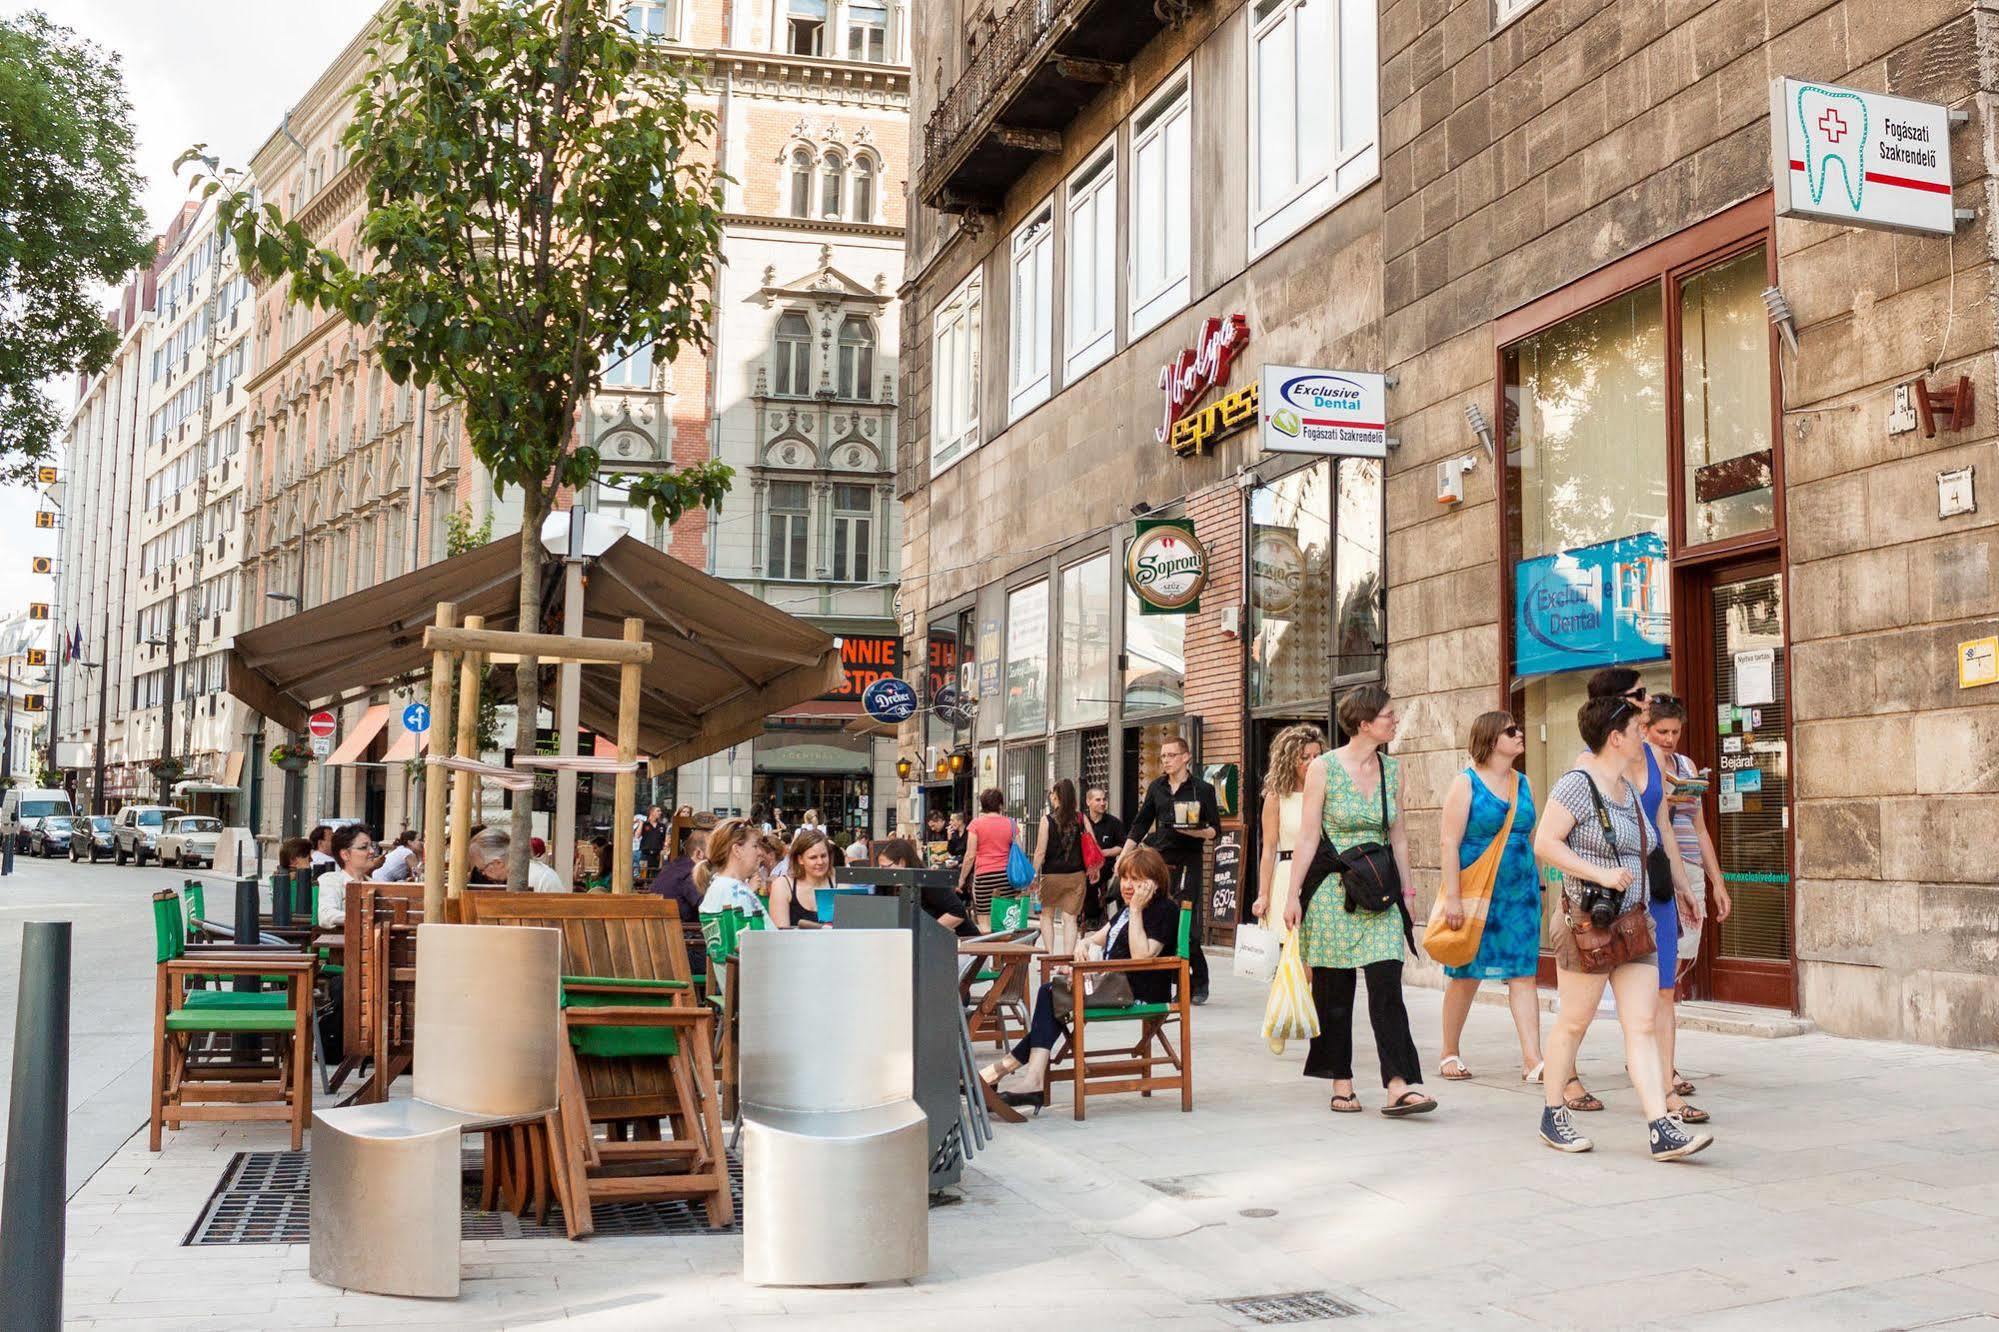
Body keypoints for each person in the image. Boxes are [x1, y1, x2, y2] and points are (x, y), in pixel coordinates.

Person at [1532, 694, 1713, 1162]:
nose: (1645, 735)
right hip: (1587, 923)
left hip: (1634, 925)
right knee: (1574, 1022)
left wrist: (1682, 886)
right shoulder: (1576, 785)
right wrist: (1599, 874)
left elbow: (1655, 844)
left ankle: (1659, 1126)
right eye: (1638, 729)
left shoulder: (1629, 790)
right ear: (1616, 737)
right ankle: (1553, 1113)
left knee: (1642, 1025)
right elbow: (1545, 843)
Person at [1283, 686, 1432, 1117]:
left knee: (1387, 987)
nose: (1395, 720)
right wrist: (1292, 895)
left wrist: (1408, 891)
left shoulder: (1393, 769)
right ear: (1364, 723)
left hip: (1380, 891)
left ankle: (1400, 1084)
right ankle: (1341, 1081)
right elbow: (1308, 836)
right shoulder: (1323, 769)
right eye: (1388, 714)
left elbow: (1398, 835)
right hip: (1333, 890)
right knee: (1334, 992)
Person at [978, 847, 1182, 1108]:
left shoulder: (1163, 910)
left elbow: (1142, 956)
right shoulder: (1125, 911)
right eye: (1125, 878)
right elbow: (1096, 937)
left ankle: (1012, 1073)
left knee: (1052, 995)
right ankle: (1024, 1078)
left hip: (1138, 994)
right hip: (1114, 985)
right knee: (1052, 995)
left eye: (1137, 879)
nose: (1129, 886)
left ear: (1154, 883)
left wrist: (1136, 911)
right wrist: (1082, 945)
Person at [1435, 711, 1545, 1084]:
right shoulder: (1465, 784)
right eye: (1510, 731)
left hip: (1520, 893)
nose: (1520, 734)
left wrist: (1537, 881)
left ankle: (1533, 1058)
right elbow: (1449, 842)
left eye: (1518, 727)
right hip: (1476, 892)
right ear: (1490, 740)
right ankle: (1449, 1050)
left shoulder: (1524, 783)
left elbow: (1530, 836)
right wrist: (1453, 897)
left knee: (1523, 973)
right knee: (1466, 972)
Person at [1647, 694, 1733, 1121]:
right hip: (1655, 873)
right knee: (1657, 974)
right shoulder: (1638, 766)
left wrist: (1717, 882)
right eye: (1661, 731)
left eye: (1674, 732)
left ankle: (1658, 1055)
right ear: (1645, 730)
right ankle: (1660, 1066)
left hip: (1690, 870)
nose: (1668, 738)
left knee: (1680, 964)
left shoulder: (1685, 768)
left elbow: (1699, 829)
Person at [1123, 734, 1219, 1005]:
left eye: (1171, 755)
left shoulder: (1202, 789)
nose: (1166, 760)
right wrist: (1125, 855)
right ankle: (1169, 978)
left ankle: (1198, 981)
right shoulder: (1157, 788)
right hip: (1159, 862)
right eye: (1163, 756)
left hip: (1189, 859)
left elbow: (1215, 831)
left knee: (1186, 921)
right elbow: (1141, 824)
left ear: (1186, 757)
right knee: (1161, 919)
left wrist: (1195, 832)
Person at [1251, 723, 1325, 927]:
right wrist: (1263, 895)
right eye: (1305, 757)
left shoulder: (1328, 794)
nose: (1312, 762)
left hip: (1323, 875)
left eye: (1317, 756)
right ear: (1290, 761)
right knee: (1286, 951)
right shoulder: (1277, 798)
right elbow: (1268, 850)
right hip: (1287, 875)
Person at [1030, 778, 1090, 955]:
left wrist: (1033, 875)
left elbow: (1040, 851)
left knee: (1046, 915)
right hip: (1077, 875)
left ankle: (1049, 955)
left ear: (1056, 796)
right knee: (1070, 918)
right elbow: (1091, 844)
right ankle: (1066, 960)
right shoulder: (1081, 818)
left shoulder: (1047, 820)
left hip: (1052, 876)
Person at [876, 837, 978, 936]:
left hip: (960, 941)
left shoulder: (928, 881)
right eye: (879, 867)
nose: (881, 871)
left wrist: (927, 932)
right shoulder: (885, 885)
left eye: (885, 867)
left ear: (902, 862)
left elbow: (958, 912)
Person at [958, 788, 1018, 930]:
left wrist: (962, 878)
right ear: (1000, 805)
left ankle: (989, 950)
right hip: (1006, 877)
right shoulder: (1011, 824)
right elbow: (1019, 851)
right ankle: (1003, 951)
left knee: (984, 920)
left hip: (984, 877)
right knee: (1006, 920)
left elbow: (970, 855)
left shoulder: (976, 824)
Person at [696, 818, 768, 920]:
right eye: (755, 846)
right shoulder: (737, 893)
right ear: (737, 850)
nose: (760, 852)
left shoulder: (720, 886)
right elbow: (759, 934)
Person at [315, 824, 382, 929]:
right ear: (345, 854)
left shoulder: (376, 884)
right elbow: (326, 916)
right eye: (364, 847)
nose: (372, 852)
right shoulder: (332, 880)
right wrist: (365, 917)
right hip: (346, 942)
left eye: (371, 846)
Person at [466, 826, 568, 892]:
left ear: (498, 863)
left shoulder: (541, 880)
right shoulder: (536, 874)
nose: (483, 874)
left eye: (482, 869)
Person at [771, 828, 836, 928]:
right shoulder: (782, 885)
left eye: (823, 856)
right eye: (813, 857)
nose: (820, 862)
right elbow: (781, 935)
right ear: (800, 859)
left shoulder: (839, 881)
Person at [1082, 785, 1125, 927]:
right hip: (1083, 864)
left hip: (1105, 865)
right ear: (1088, 802)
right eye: (1098, 800)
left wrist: (1104, 853)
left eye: (1104, 799)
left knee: (1092, 878)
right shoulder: (1081, 822)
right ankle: (1083, 913)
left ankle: (1094, 916)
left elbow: (1121, 846)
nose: (1102, 803)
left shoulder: (1114, 823)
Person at [639, 806, 668, 879]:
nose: (660, 813)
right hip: (645, 854)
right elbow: (637, 835)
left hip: (657, 854)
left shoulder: (662, 826)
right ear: (652, 812)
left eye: (660, 811)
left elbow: (664, 840)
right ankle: (643, 888)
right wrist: (641, 823)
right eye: (658, 811)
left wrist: (664, 849)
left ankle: (653, 889)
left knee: (655, 875)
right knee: (643, 874)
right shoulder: (645, 824)